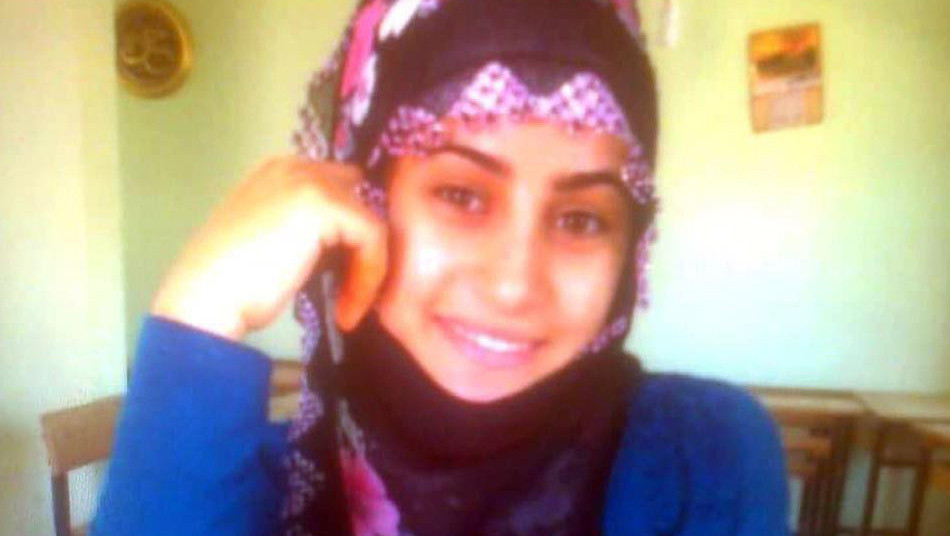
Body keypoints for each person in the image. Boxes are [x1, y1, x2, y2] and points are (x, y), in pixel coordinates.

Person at [92, 0, 789, 535]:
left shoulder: (701, 460)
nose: (513, 285)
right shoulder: (254, 492)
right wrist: (201, 305)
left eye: (581, 219)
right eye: (461, 195)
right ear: (363, 201)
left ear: (630, 249)